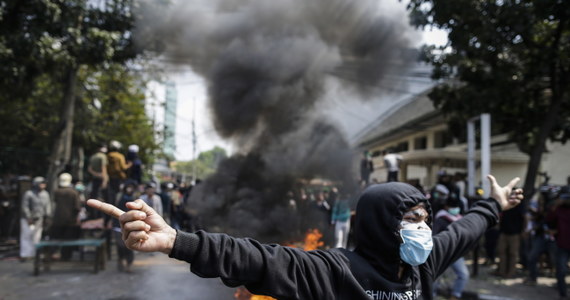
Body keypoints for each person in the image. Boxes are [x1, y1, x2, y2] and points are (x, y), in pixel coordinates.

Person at [87, 175, 523, 300]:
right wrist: (176, 242)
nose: (423, 228)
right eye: (410, 218)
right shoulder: (337, 270)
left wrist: (495, 206)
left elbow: (465, 230)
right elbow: (258, 259)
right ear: (380, 225)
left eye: (425, 218)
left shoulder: (422, 267)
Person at [433, 197, 469, 300]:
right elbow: (434, 236)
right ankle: (431, 295)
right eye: (453, 207)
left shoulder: (460, 219)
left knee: (463, 275)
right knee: (434, 278)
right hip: (441, 253)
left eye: (457, 207)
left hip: (455, 253)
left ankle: (455, 295)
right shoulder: (441, 219)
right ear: (446, 207)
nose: (455, 209)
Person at [50, 173, 82, 260]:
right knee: (68, 240)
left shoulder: (57, 191)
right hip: (70, 221)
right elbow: (77, 207)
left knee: (57, 239)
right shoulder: (74, 192)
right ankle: (66, 256)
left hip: (57, 220)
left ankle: (55, 254)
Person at [20, 177, 52, 261]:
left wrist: (47, 217)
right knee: (26, 236)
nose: (43, 185)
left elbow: (48, 206)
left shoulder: (45, 194)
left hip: (39, 219)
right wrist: (28, 217)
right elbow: (25, 206)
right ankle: (25, 255)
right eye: (41, 183)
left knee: (37, 237)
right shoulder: (29, 194)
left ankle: (35, 254)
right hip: (27, 219)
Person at [546, 193, 570, 299]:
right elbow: (548, 219)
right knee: (561, 269)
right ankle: (563, 293)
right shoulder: (558, 209)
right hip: (562, 244)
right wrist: (555, 206)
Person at [113, 180, 138, 272]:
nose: (129, 189)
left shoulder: (135, 198)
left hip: (131, 225)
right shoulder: (119, 196)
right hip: (117, 225)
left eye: (131, 187)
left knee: (129, 245)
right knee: (120, 246)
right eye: (128, 186)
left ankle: (129, 264)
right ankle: (120, 261)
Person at [107, 140, 132, 205]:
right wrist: (129, 165)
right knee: (118, 193)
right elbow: (123, 167)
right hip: (119, 178)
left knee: (110, 193)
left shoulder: (108, 155)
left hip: (110, 177)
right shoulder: (120, 156)